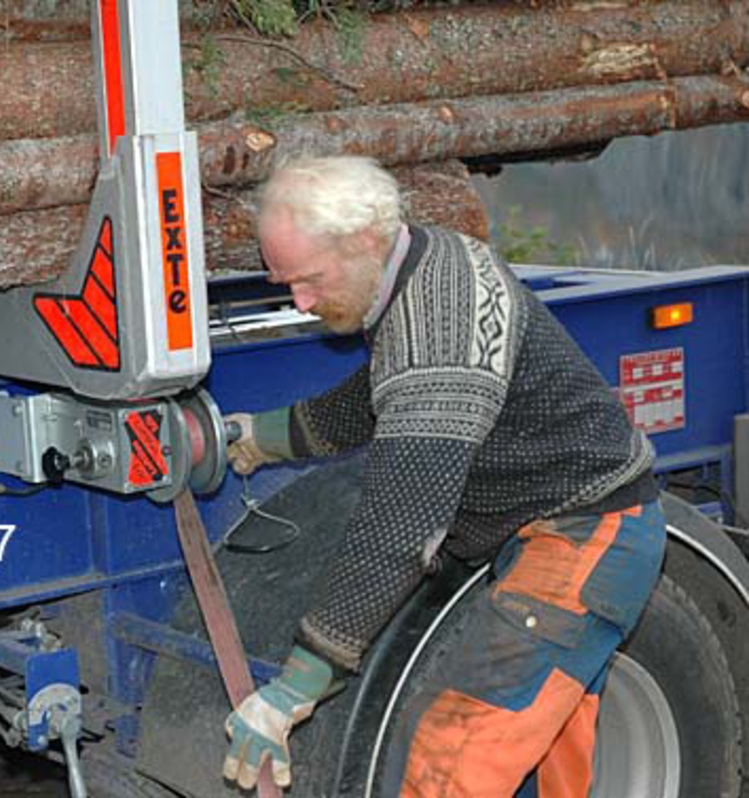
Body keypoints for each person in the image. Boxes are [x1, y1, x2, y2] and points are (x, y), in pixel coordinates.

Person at [222, 156, 665, 797]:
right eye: (285, 282)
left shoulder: (439, 330)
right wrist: (257, 439)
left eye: (310, 280)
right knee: (552, 772)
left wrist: (295, 687)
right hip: (561, 527)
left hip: (584, 538)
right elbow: (373, 400)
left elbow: (401, 531)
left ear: (367, 239)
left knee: (451, 762)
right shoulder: (421, 264)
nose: (300, 301)